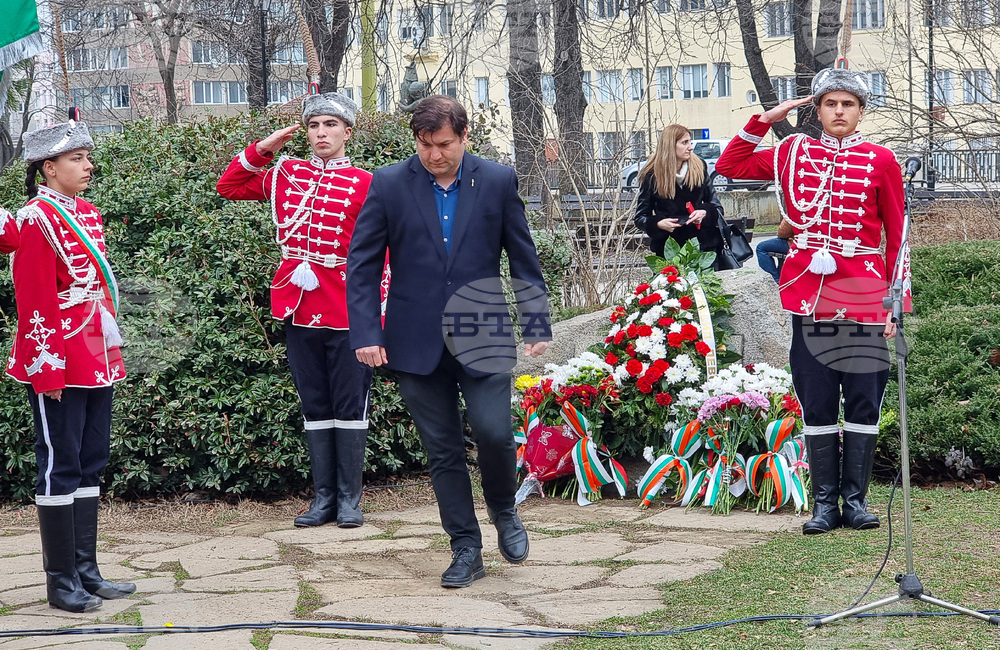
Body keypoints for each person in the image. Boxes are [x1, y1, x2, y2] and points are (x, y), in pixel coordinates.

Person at [346, 95, 551, 588]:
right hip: (412, 340)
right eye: (424, 144)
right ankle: (465, 548)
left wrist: (536, 322)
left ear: (464, 137)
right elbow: (363, 265)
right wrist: (367, 332)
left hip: (483, 330)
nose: (433, 155)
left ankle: (504, 510)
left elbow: (522, 257)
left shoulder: (497, 180)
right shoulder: (390, 183)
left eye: (443, 145)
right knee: (442, 452)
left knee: (495, 433)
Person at [716, 68, 909, 535]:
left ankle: (856, 503)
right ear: (817, 109)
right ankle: (824, 505)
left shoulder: (881, 159)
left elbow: (898, 236)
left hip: (862, 294)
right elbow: (730, 166)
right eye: (830, 103)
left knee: (864, 400)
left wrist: (895, 303)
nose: (839, 111)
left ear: (861, 112)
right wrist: (767, 118)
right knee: (818, 401)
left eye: (848, 104)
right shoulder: (791, 152)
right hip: (812, 296)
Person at [217, 92, 377, 529]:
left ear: (348, 131)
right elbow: (229, 186)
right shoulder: (286, 174)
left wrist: (375, 318)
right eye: (313, 126)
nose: (321, 133)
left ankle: (348, 499)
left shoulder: (367, 183)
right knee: (315, 405)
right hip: (299, 302)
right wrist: (265, 147)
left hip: (346, 305)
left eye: (330, 125)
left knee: (350, 404)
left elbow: (385, 254)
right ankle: (323, 498)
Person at [7, 118, 135, 612]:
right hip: (56, 356)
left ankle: (86, 569)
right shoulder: (35, 221)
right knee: (59, 464)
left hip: (95, 353)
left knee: (90, 460)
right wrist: (47, 370)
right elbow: (34, 301)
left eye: (87, 156)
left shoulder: (86, 212)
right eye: (77, 158)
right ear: (48, 167)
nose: (88, 166)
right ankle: (60, 580)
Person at [633, 124, 729, 268]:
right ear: (670, 146)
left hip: (704, 248)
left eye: (690, 142)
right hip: (670, 252)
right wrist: (658, 224)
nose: (691, 147)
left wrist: (704, 213)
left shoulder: (699, 166)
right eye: (685, 143)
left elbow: (716, 207)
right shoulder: (652, 175)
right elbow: (640, 217)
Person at [755, 219, 794, 283]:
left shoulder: (796, 210)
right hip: (813, 245)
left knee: (761, 247)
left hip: (795, 244)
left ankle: (774, 279)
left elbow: (782, 233)